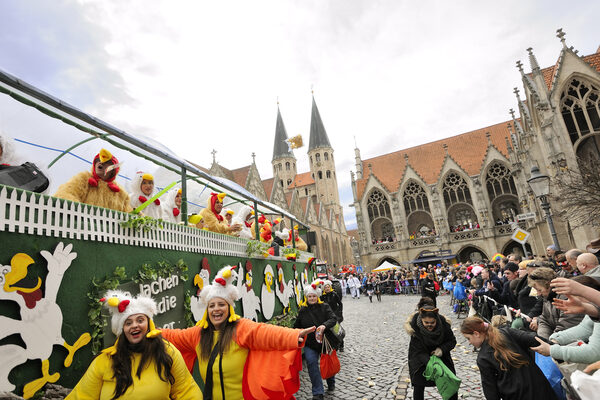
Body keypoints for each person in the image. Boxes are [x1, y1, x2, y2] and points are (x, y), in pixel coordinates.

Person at [161, 266, 314, 400]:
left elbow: (266, 333)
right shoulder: (198, 334)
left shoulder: (241, 328)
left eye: (221, 304)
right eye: (211, 305)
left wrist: (295, 335)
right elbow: (173, 336)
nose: (216, 309)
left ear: (230, 308)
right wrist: (148, 329)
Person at [67, 291, 201, 399]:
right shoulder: (105, 361)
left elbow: (187, 391)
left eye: (140, 320)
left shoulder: (167, 351)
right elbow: (82, 396)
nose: (135, 325)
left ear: (149, 324)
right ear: (122, 330)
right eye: (128, 323)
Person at [461, 317, 558, 400]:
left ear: (476, 333)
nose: (469, 342)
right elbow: (534, 339)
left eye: (468, 338)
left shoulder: (483, 358)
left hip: (516, 395)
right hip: (539, 388)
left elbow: (491, 391)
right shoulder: (507, 332)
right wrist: (558, 351)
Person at [294, 281, 339, 400]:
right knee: (311, 363)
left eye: (314, 296)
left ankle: (331, 381)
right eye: (310, 296)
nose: (312, 298)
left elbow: (333, 318)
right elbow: (296, 326)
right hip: (310, 343)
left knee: (328, 362)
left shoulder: (324, 306)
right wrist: (294, 335)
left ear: (317, 296)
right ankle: (318, 392)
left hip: (325, 341)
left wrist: (324, 325)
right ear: (307, 297)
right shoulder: (303, 310)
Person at [54, 148, 133, 213]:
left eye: (107, 163)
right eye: (99, 161)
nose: (101, 163)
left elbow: (128, 211)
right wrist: (79, 211)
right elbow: (65, 193)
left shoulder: (121, 192)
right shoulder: (83, 178)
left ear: (113, 171)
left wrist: (136, 214)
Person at [405, 305, 457, 400]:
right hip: (420, 361)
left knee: (450, 382)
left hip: (442, 357)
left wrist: (441, 349)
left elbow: (452, 341)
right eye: (426, 323)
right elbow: (417, 350)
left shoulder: (444, 325)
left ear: (436, 319)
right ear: (421, 320)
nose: (429, 325)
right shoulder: (414, 328)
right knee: (418, 385)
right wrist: (431, 362)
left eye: (432, 322)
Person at [528, 267, 585, 339]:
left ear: (549, 285)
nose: (538, 294)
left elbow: (566, 326)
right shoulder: (547, 296)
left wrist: (549, 344)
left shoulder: (568, 297)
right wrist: (543, 340)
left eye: (539, 290)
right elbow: (544, 319)